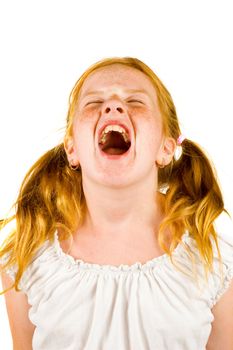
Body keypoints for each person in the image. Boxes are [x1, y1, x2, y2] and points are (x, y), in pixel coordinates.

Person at [0, 57, 233, 350]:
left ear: (166, 147)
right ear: (72, 150)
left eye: (135, 101)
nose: (112, 106)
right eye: (94, 102)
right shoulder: (27, 260)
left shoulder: (214, 260)